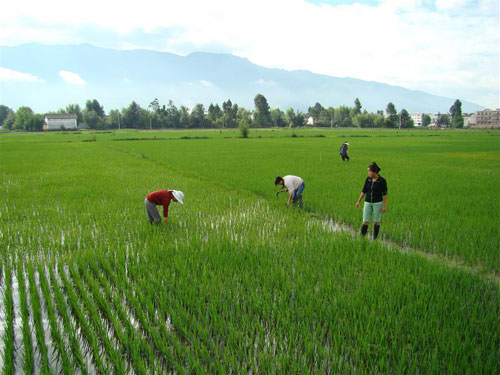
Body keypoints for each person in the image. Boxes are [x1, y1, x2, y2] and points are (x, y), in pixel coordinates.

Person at [354, 162, 387, 239]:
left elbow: (385, 194)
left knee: (377, 221)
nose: (368, 173)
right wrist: (358, 201)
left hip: (378, 203)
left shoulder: (382, 181)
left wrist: (384, 206)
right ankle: (361, 238)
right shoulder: (368, 179)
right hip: (367, 202)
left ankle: (374, 239)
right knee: (365, 221)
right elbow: (364, 191)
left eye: (369, 171)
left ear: (374, 172)